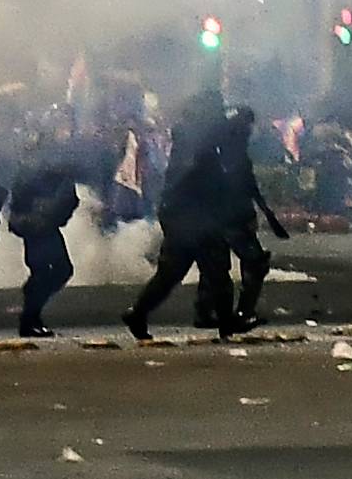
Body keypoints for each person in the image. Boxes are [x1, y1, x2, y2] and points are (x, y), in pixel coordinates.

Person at [124, 109, 231, 341]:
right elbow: (213, 189)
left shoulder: (182, 154)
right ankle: (226, 324)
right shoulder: (203, 156)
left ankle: (138, 313)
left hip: (185, 224)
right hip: (200, 225)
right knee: (218, 273)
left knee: (169, 276)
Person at [207, 105, 291, 330]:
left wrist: (266, 213)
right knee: (254, 264)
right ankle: (241, 314)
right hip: (234, 217)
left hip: (222, 216)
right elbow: (245, 186)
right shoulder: (234, 153)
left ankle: (225, 316)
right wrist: (260, 213)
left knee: (222, 267)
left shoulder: (224, 149)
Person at [7, 116, 83, 339]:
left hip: (40, 223)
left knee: (48, 271)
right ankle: (29, 319)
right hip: (38, 224)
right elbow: (31, 187)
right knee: (55, 270)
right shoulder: (40, 160)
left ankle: (32, 316)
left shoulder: (36, 158)